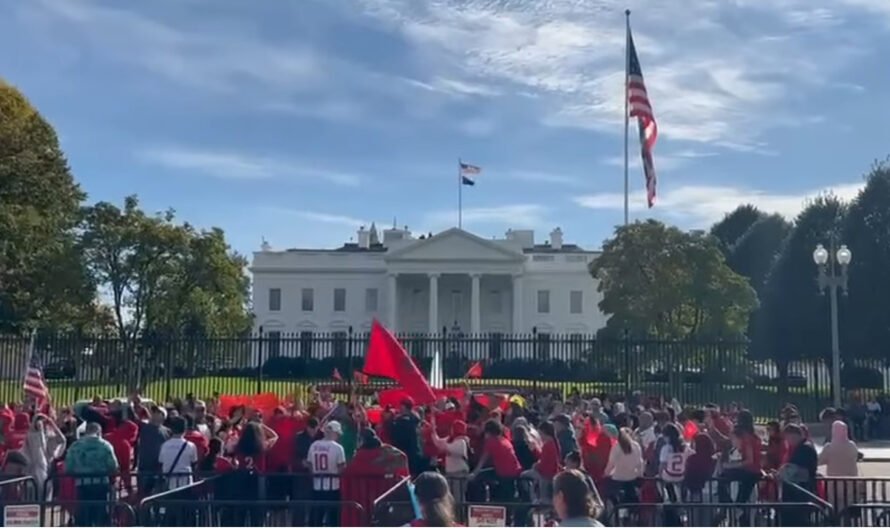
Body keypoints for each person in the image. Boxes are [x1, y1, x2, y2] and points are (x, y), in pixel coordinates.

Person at [64, 422, 118, 526]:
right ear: (99, 432)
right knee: (100, 515)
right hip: (101, 484)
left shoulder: (75, 446)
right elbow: (113, 466)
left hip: (82, 484)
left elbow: (68, 468)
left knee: (83, 514)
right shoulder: (105, 445)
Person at [468, 420, 522, 502]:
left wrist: (474, 474)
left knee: (479, 479)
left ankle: (480, 502)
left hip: (505, 473)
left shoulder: (491, 442)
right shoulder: (504, 440)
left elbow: (483, 461)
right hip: (514, 470)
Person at [307, 420, 347, 526]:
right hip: (333, 486)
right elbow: (341, 467)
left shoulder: (314, 445)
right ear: (334, 432)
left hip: (317, 485)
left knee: (316, 517)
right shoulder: (338, 448)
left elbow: (310, 464)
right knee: (333, 517)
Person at [779, 424, 818, 527]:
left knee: (797, 521)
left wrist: (782, 473)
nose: (787, 441)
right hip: (797, 493)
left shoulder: (804, 449)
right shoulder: (802, 447)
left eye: (788, 438)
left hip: (799, 492)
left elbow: (796, 469)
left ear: (793, 435)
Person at [818, 420, 860, 513]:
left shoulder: (829, 447)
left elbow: (819, 461)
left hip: (834, 483)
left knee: (835, 508)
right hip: (850, 482)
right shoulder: (852, 445)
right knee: (848, 508)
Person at [23, 413, 65, 499]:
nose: (39, 424)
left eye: (41, 422)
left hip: (45, 466)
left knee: (45, 489)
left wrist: (52, 424)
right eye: (37, 422)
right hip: (32, 468)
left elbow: (62, 439)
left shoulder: (48, 437)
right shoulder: (30, 436)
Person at [521, 421, 561, 502]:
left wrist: (536, 466)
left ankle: (532, 498)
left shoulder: (548, 445)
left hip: (545, 474)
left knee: (523, 475)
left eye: (541, 434)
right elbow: (544, 458)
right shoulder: (554, 443)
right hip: (550, 472)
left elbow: (543, 464)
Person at [158, 416, 198, 491]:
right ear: (185, 429)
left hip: (169, 483)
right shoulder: (190, 446)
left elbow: (161, 463)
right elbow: (194, 464)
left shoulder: (164, 446)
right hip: (186, 483)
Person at [603, 427, 642, 505]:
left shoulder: (616, 447)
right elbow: (639, 463)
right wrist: (639, 474)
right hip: (631, 478)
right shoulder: (636, 446)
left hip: (618, 479)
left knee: (615, 501)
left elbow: (611, 464)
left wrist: (605, 473)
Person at [137, 406, 169, 497]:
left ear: (163, 417)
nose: (155, 414)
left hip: (159, 468)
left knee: (158, 495)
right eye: (154, 412)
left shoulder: (167, 431)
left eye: (158, 413)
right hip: (144, 467)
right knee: (144, 495)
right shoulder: (143, 427)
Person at [391, 399, 424, 475]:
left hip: (406, 450)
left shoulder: (402, 421)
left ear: (404, 407)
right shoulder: (415, 419)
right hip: (414, 450)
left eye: (401, 406)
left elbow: (397, 435)